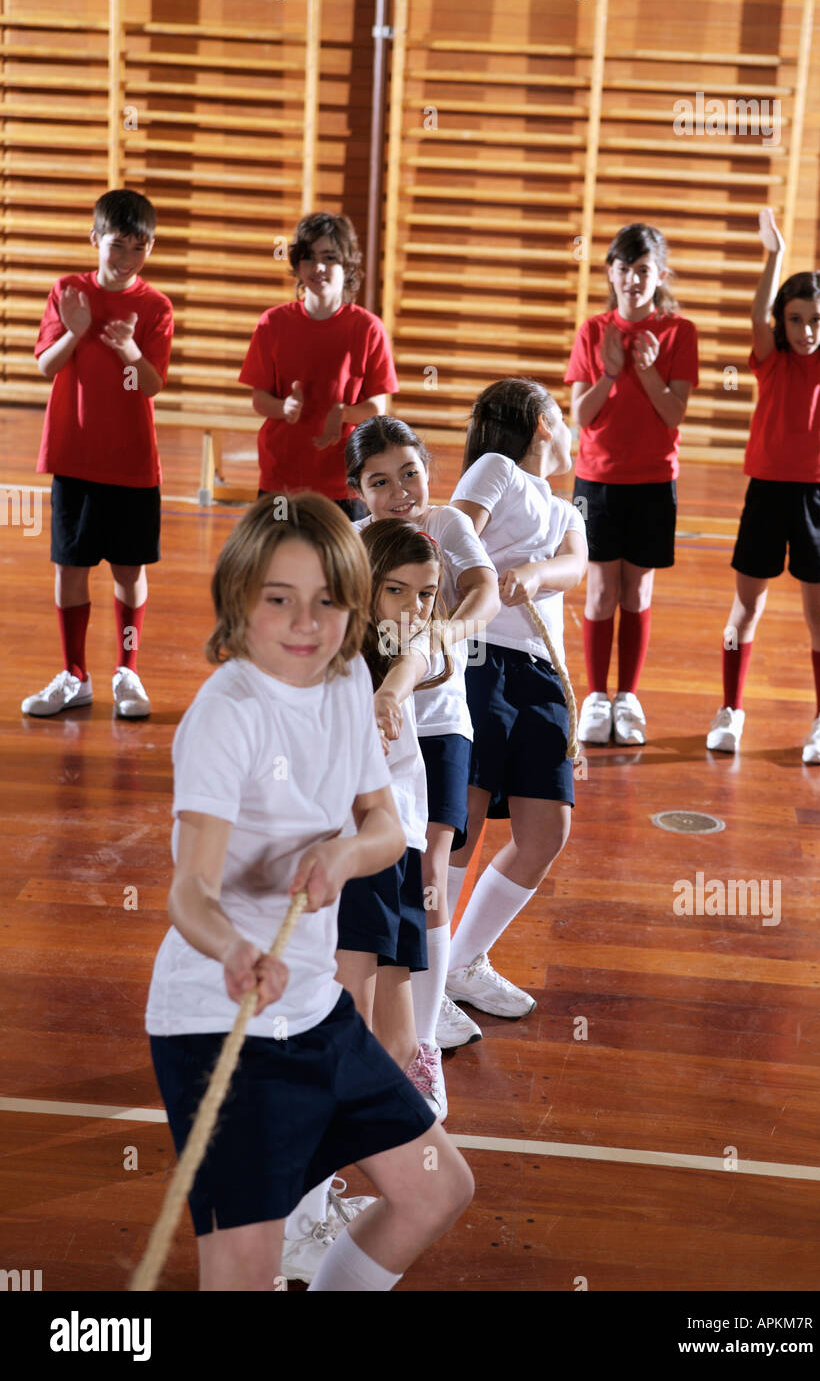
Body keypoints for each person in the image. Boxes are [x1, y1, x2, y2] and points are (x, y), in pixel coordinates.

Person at [146, 492, 473, 1291]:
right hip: (221, 1021)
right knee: (242, 1275)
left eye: (329, 600)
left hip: (315, 1009)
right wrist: (234, 948)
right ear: (238, 600)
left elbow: (385, 825)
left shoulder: (343, 678)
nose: (306, 622)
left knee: (435, 1188)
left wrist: (343, 853)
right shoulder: (228, 714)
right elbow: (188, 891)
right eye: (279, 599)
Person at [346, 416, 500, 1053]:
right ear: (357, 489)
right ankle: (389, 1020)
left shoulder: (447, 526)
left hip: (439, 726)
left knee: (431, 868)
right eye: (380, 481)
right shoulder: (351, 543)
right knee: (383, 871)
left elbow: (485, 591)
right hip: (377, 730)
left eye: (411, 472)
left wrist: (446, 632)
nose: (401, 491)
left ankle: (426, 1041)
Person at [445, 378, 587, 1018]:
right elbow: (453, 534)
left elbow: (575, 567)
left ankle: (461, 964)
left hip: (539, 676)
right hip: (479, 660)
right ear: (542, 425)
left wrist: (532, 575)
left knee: (547, 829)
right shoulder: (496, 468)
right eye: (563, 416)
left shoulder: (567, 509)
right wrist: (484, 584)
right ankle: (420, 977)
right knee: (460, 822)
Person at [706, 209, 820, 765]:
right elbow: (755, 315)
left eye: (817, 320)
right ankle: (730, 710)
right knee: (745, 610)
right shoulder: (770, 362)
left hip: (817, 498)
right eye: (795, 320)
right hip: (767, 493)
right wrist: (774, 254)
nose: (806, 331)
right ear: (783, 322)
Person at [22, 188, 173, 719]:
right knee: (70, 569)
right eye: (117, 245)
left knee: (129, 571)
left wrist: (128, 351)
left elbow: (149, 385)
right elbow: (45, 365)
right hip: (75, 458)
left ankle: (127, 670)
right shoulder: (67, 292)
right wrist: (77, 332)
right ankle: (75, 674)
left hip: (133, 463)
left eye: (138, 247)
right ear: (95, 239)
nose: (126, 257)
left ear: (149, 249)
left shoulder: (155, 307)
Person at [566, 222, 698, 746]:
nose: (633, 279)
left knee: (638, 589)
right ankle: (597, 696)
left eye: (643, 269)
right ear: (611, 273)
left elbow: (674, 414)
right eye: (624, 268)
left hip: (653, 479)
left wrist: (645, 373)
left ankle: (628, 696)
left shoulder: (678, 332)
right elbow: (581, 415)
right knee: (600, 590)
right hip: (597, 478)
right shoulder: (592, 331)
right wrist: (609, 373)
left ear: (659, 274)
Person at [238, 213, 398, 519]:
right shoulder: (272, 323)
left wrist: (343, 414)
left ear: (347, 264)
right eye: (309, 258)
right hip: (282, 479)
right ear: (297, 265)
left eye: (329, 257)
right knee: (278, 564)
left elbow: (378, 406)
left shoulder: (368, 328)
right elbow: (259, 399)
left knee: (341, 568)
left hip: (345, 482)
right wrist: (283, 408)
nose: (318, 267)